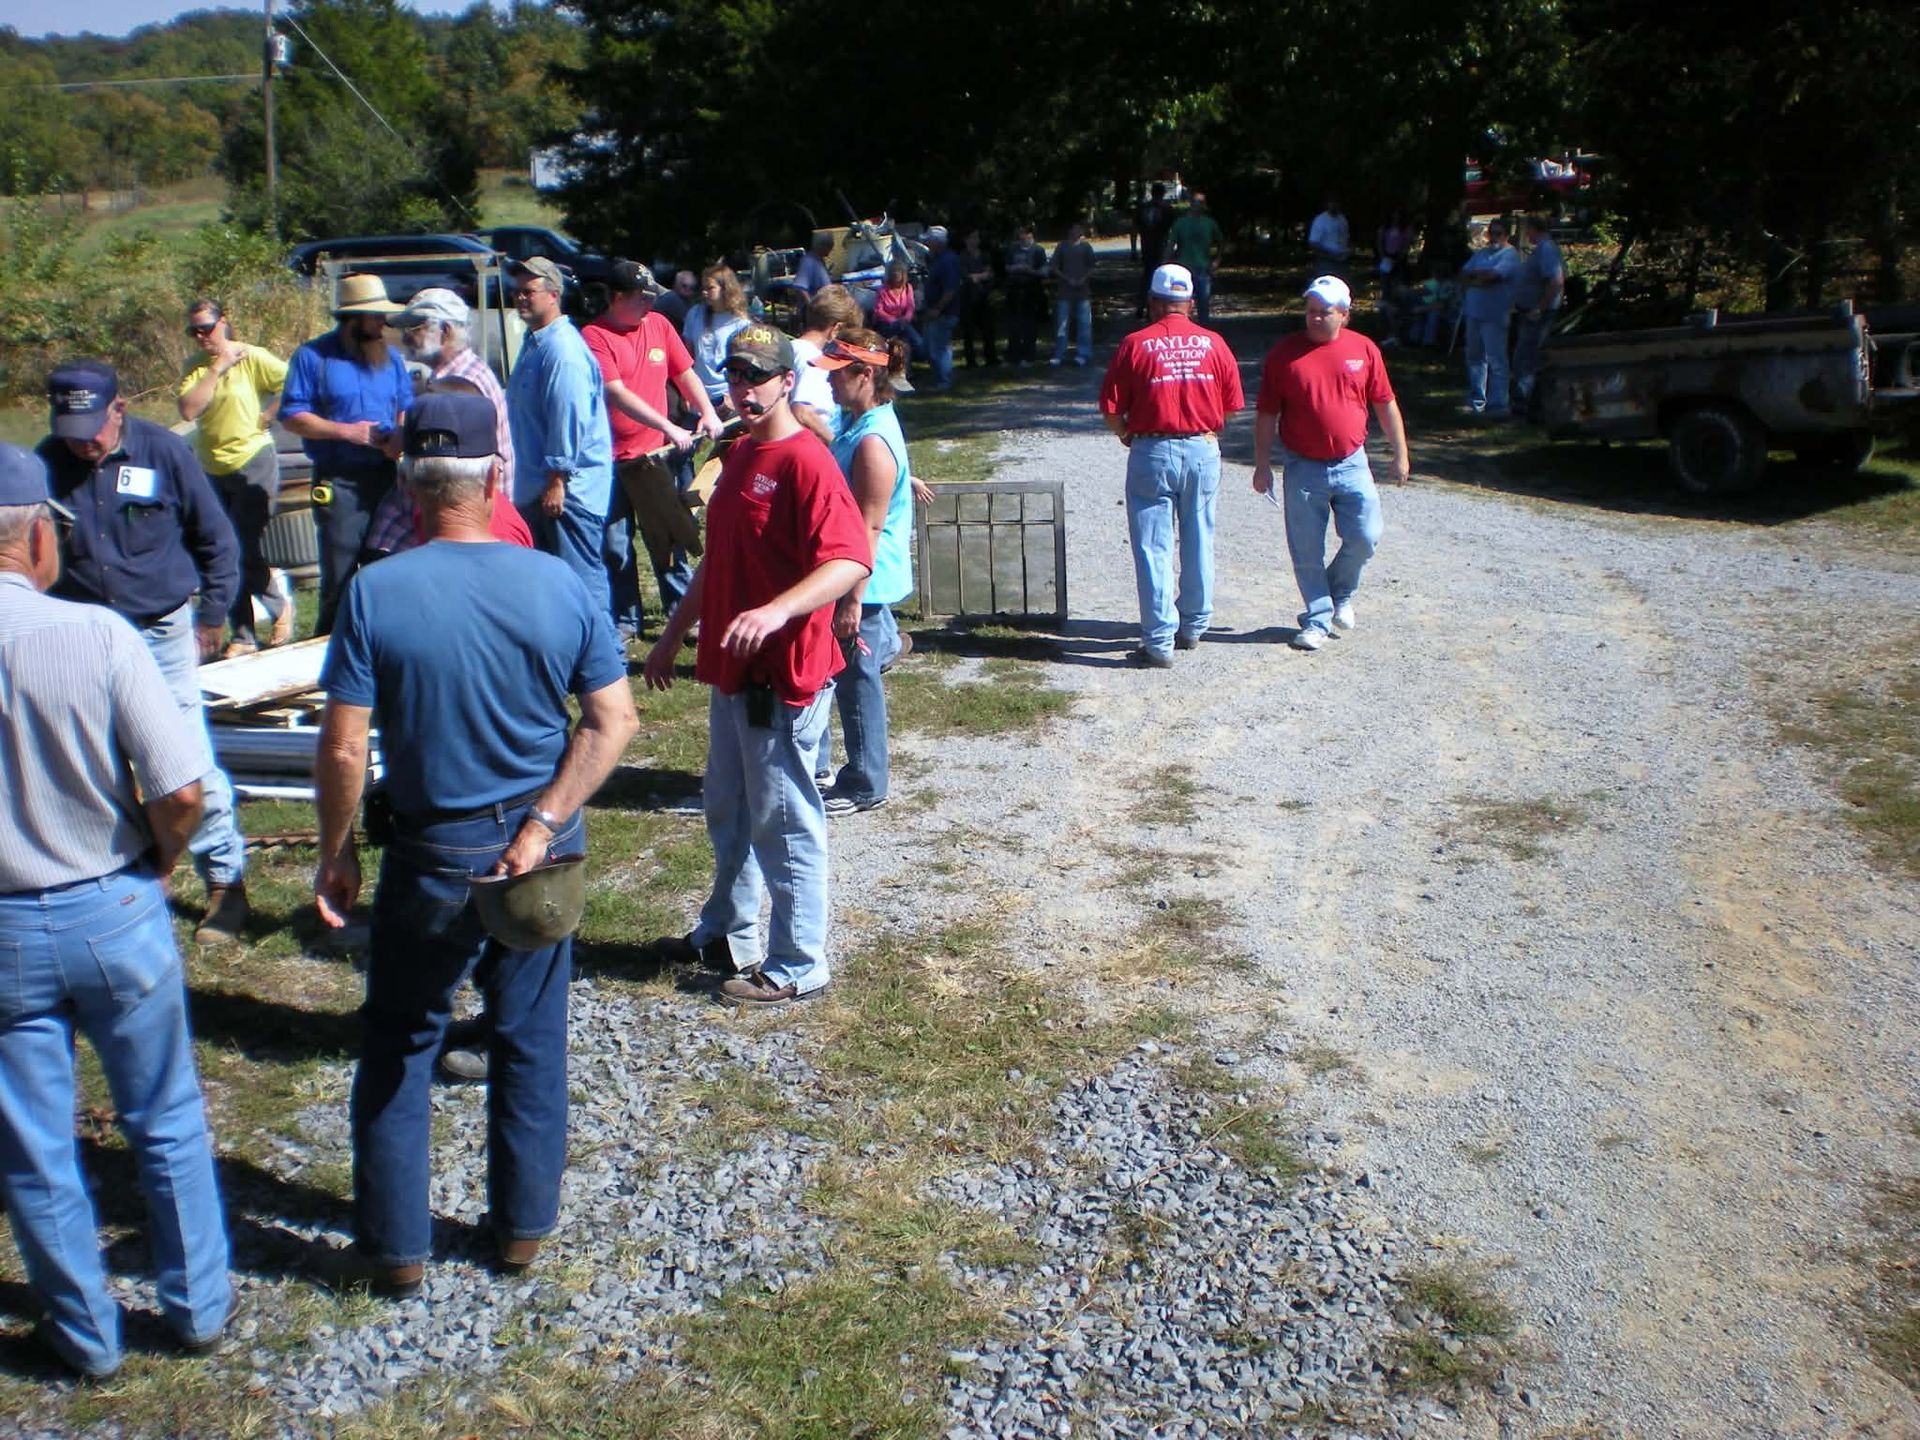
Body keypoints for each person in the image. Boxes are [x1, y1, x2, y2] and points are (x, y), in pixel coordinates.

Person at [312, 390, 639, 1295]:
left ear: (410, 482)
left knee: (401, 1043)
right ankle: (521, 1232)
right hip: (540, 857)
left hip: (429, 853)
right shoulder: (561, 584)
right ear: (497, 476)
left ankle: (399, 1246)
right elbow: (612, 722)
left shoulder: (376, 592)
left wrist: (335, 849)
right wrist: (541, 821)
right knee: (531, 1036)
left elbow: (343, 744)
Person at [0, 441, 234, 1379]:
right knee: (166, 1116)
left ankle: (86, 1333)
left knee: (32, 1145)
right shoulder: (96, 636)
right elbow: (184, 786)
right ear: (35, 539)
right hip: (111, 902)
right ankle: (197, 1305)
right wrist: (158, 862)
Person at [641, 325, 870, 1006]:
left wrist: (777, 612)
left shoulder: (806, 461)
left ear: (787, 383)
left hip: (783, 674)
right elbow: (719, 558)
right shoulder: (740, 454)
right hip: (734, 670)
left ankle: (800, 961)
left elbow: (848, 560)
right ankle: (725, 933)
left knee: (786, 819)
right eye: (735, 376)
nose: (744, 389)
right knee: (729, 809)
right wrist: (672, 632)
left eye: (758, 377)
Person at [38, 361, 250, 944]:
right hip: (84, 631)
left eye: (92, 426)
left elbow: (216, 537)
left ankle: (226, 884)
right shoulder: (47, 463)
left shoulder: (163, 453)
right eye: (70, 428)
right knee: (95, 760)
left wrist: (212, 615)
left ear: (120, 408)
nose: (82, 441)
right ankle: (120, 879)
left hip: (160, 630)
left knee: (184, 758)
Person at [1251, 276, 1410, 653]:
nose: (1315, 319)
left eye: (1324, 312)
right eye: (1311, 311)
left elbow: (1384, 403)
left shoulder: (1364, 349)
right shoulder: (1284, 354)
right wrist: (1262, 465)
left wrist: (1400, 454)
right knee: (1306, 549)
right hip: (1303, 465)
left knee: (1365, 535)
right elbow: (1266, 414)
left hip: (1352, 462)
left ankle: (1339, 592)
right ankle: (1318, 618)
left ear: (1345, 315)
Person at [1097, 265, 1245, 667]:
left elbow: (1111, 408)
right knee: (1200, 537)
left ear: (1153, 303)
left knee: (1153, 546)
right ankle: (1194, 625)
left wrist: (1128, 435)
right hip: (1202, 447)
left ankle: (1159, 640)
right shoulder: (1214, 343)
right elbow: (1232, 407)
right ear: (1191, 303)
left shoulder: (1135, 344)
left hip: (1152, 448)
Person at [583, 259, 725, 633]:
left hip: (655, 458)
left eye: (651, 297)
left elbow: (684, 372)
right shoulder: (594, 337)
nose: (649, 305)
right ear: (617, 298)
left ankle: (684, 614)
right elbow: (615, 393)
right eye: (641, 298)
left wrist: (707, 412)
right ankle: (628, 619)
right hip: (612, 462)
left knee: (669, 536)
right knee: (616, 545)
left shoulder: (659, 326)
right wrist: (667, 425)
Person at [815, 330, 920, 814]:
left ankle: (865, 782)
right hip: (859, 574)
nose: (831, 383)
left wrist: (852, 601)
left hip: (864, 580)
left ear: (866, 374)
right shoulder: (860, 421)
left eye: (839, 375)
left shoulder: (873, 441)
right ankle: (887, 643)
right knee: (856, 669)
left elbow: (867, 527)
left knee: (858, 681)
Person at [280, 272, 413, 635]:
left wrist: (398, 437)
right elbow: (292, 415)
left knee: (386, 567)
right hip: (339, 480)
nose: (381, 322)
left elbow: (405, 404)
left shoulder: (393, 359)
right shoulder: (313, 357)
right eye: (373, 316)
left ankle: (380, 648)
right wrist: (347, 432)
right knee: (340, 573)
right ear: (351, 319)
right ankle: (328, 650)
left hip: (385, 476)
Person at [369, 288, 530, 556]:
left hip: (469, 518)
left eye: (415, 327)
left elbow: (449, 456)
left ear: (445, 331)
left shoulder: (461, 383)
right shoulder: (459, 373)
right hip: (469, 512)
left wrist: (400, 440)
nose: (406, 336)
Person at [177, 298, 292, 656]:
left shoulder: (251, 356)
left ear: (223, 322)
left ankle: (277, 604)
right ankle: (243, 635)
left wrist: (269, 413)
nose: (201, 337)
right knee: (223, 551)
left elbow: (293, 382)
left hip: (253, 459)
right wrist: (217, 368)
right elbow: (189, 408)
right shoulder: (196, 367)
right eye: (193, 331)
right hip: (212, 466)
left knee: (241, 545)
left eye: (207, 328)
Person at [505, 256, 616, 610]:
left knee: (579, 582)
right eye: (517, 292)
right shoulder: (535, 342)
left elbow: (567, 417)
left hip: (566, 493)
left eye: (529, 291)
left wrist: (557, 479)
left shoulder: (562, 350)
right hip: (539, 485)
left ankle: (605, 658)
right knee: (550, 585)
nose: (521, 298)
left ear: (554, 294)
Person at [1457, 217, 1521, 417]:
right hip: (1473, 312)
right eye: (1491, 233)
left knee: (1497, 360)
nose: (1494, 237)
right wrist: (1479, 277)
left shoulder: (1510, 256)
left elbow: (1493, 278)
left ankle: (1498, 403)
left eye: (1498, 233)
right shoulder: (1482, 253)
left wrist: (1478, 278)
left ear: (1507, 235)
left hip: (1495, 315)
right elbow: (1463, 274)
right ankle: (1476, 400)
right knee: (1475, 358)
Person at [789, 284, 862, 443]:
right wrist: (837, 445)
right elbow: (802, 411)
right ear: (836, 328)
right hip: (815, 444)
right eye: (845, 337)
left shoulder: (794, 348)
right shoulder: (812, 358)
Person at [1511, 215, 1566, 408]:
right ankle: (1527, 401)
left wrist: (1539, 308)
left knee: (1526, 358)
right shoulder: (1542, 250)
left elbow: (1556, 281)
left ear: (1534, 229)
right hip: (1529, 310)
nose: (1526, 235)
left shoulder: (1546, 250)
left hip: (1537, 314)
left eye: (1527, 230)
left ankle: (1525, 403)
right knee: (1525, 355)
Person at [682, 264, 753, 412]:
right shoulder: (695, 314)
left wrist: (732, 398)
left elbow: (746, 363)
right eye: (703, 288)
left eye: (710, 288)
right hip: (699, 394)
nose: (704, 292)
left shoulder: (741, 322)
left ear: (725, 288)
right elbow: (686, 356)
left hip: (728, 394)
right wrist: (685, 392)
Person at [1166, 192, 1226, 324]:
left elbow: (1221, 242)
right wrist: (1166, 264)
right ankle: (1185, 328)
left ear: (1204, 205)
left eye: (1200, 202)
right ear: (1190, 203)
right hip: (1183, 269)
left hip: (1203, 268)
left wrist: (1217, 260)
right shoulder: (1180, 223)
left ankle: (1203, 331)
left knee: (1203, 303)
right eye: (1195, 201)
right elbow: (1171, 244)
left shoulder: (1209, 223)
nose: (1197, 205)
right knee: (1183, 301)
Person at [919, 226, 963, 391]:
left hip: (943, 312)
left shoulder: (949, 261)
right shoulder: (936, 259)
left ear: (938, 242)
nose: (927, 243)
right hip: (933, 311)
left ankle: (945, 381)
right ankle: (940, 378)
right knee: (930, 347)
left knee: (940, 348)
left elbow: (950, 290)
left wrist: (938, 308)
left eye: (929, 240)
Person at [1048, 221, 1097, 366]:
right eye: (1076, 228)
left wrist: (1083, 278)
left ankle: (1084, 353)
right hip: (1064, 291)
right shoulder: (1062, 246)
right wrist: (1066, 278)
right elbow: (1054, 267)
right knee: (1062, 324)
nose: (1078, 231)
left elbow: (1092, 266)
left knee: (1084, 324)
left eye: (1080, 228)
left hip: (1082, 292)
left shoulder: (1086, 247)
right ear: (1070, 230)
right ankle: (1059, 353)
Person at [1003, 224, 1049, 366]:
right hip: (1014, 289)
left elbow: (1044, 272)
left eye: (1023, 233)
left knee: (1029, 324)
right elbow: (1006, 266)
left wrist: (1030, 270)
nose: (1021, 235)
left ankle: (1028, 355)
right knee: (1014, 324)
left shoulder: (1038, 250)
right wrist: (1014, 268)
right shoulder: (1012, 249)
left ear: (1030, 234)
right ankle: (1012, 355)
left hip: (1032, 289)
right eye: (1020, 232)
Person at [956, 228, 998, 368]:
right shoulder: (962, 256)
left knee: (988, 329)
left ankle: (991, 358)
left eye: (977, 237)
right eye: (972, 237)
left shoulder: (984, 255)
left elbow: (990, 273)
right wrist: (981, 276)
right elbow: (966, 277)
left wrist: (978, 276)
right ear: (966, 240)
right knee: (968, 331)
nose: (975, 241)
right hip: (968, 296)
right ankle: (971, 360)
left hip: (983, 295)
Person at [1132, 183, 1173, 316]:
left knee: (1146, 276)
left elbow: (1134, 229)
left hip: (1146, 246)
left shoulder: (1143, 208)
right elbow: (1172, 232)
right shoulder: (1167, 209)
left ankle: (1141, 304)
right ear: (1163, 193)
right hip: (1161, 247)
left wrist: (1133, 249)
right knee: (1159, 277)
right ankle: (1154, 307)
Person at [871, 260, 923, 360]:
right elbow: (878, 310)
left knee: (906, 339)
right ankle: (922, 353)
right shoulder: (882, 290)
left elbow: (910, 307)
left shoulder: (908, 288)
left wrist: (906, 318)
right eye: (894, 273)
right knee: (906, 329)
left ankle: (912, 364)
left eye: (898, 273)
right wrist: (895, 321)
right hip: (885, 325)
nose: (896, 276)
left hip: (903, 322)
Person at [1308, 195, 1351, 272]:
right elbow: (1313, 243)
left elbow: (1345, 238)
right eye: (1331, 202)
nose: (1334, 205)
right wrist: (1330, 255)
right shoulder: (1320, 220)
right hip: (1326, 262)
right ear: (1327, 204)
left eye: (1336, 202)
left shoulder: (1343, 219)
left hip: (1342, 261)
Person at [793, 234, 834, 299]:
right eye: (829, 247)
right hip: (816, 307)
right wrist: (811, 306)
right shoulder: (808, 261)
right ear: (822, 246)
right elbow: (800, 288)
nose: (830, 250)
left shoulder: (819, 260)